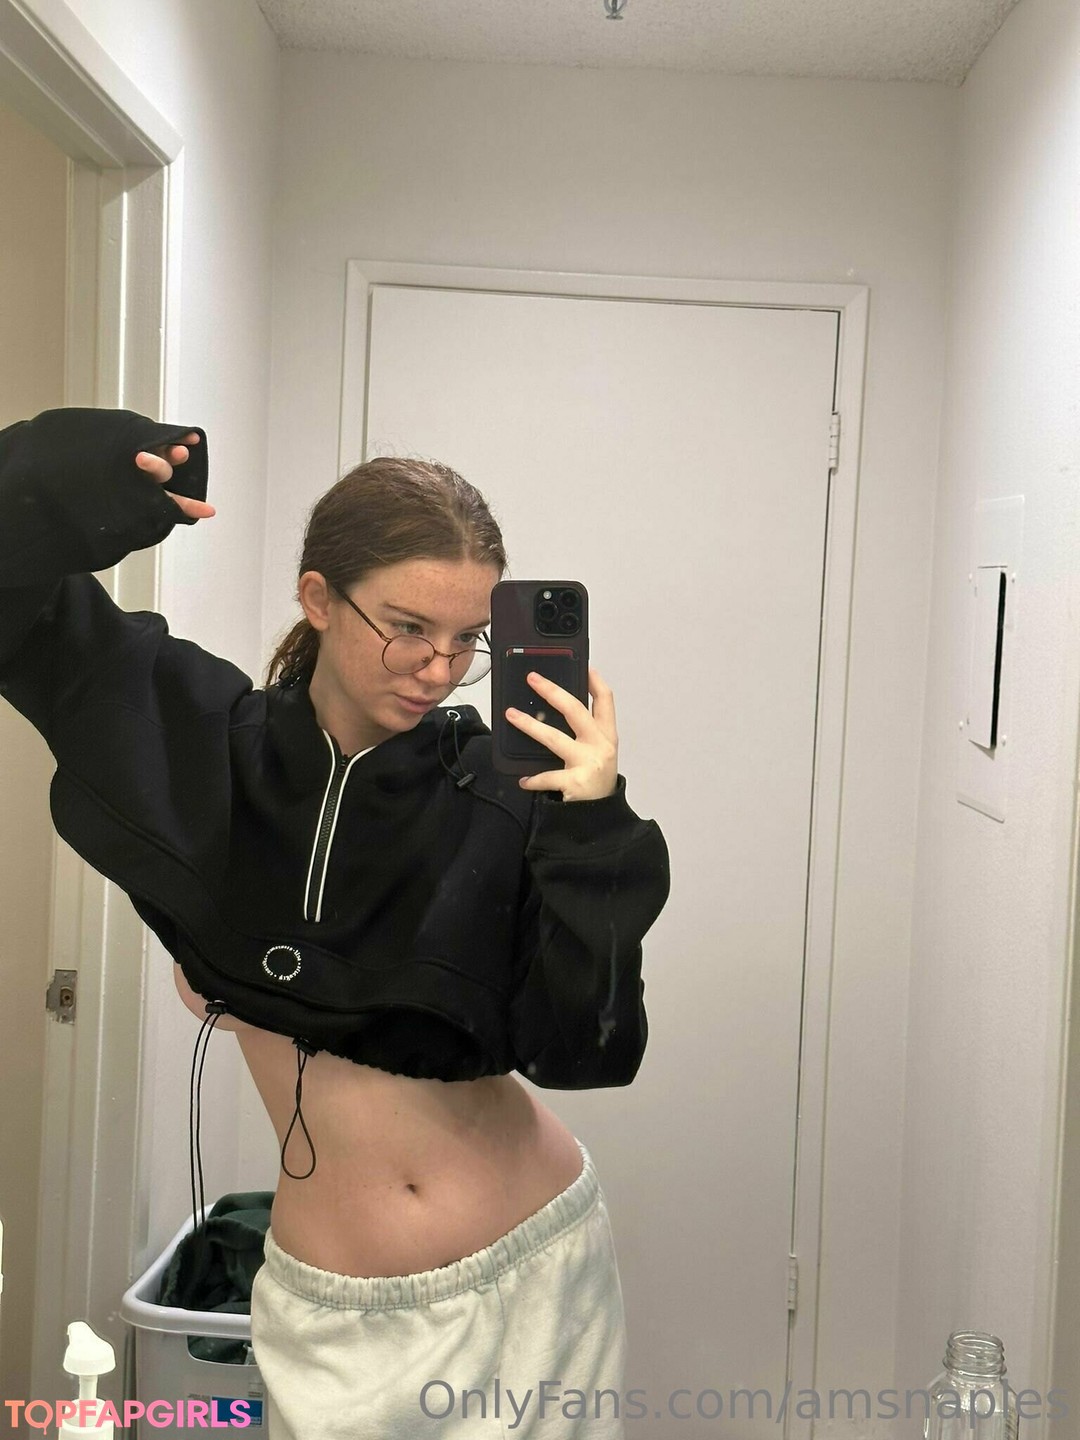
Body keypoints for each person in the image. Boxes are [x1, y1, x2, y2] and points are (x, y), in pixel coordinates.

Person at [0, 407, 670, 1438]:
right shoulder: (204, 747)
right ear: (318, 597)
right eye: (407, 626)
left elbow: (587, 1051)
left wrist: (592, 826)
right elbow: (29, 625)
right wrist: (80, 483)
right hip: (336, 1316)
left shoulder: (501, 794)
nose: (438, 668)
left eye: (466, 640)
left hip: (539, 1269)